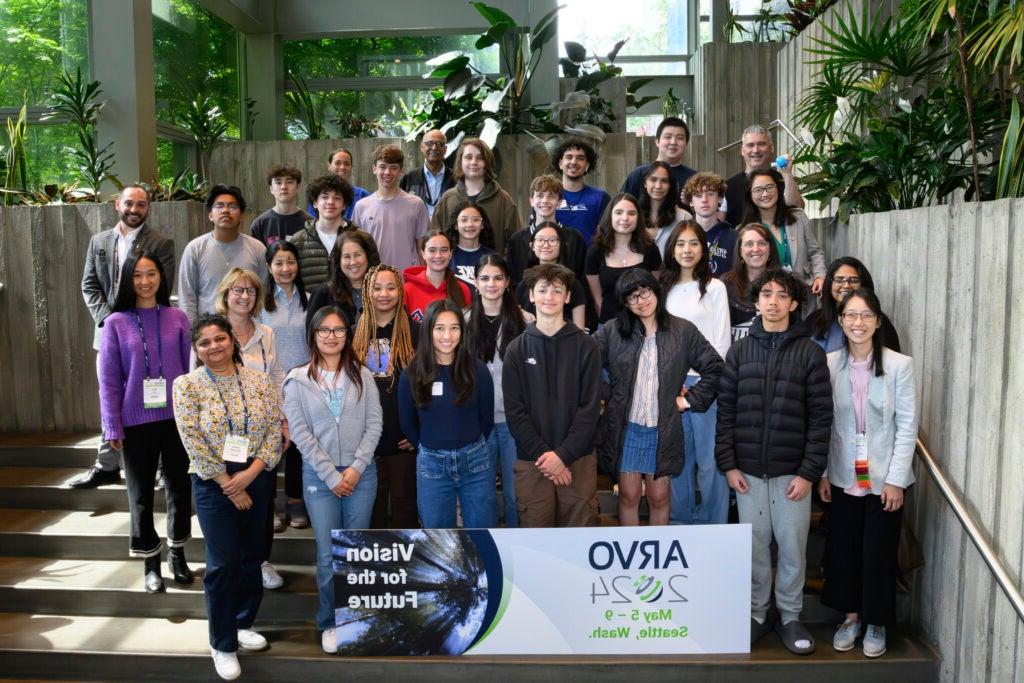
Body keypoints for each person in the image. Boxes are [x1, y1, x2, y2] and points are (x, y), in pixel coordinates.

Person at [715, 269, 832, 656]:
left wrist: (808, 472)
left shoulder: (810, 353)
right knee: (755, 546)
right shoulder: (740, 351)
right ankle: (757, 614)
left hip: (792, 476)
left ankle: (790, 615)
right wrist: (729, 464)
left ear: (794, 303)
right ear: (756, 300)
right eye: (766, 294)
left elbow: (821, 420)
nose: (773, 301)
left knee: (793, 548)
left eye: (782, 295)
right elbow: (726, 413)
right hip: (747, 471)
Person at [173, 314, 281, 681]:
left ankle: (242, 622)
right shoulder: (186, 386)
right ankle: (221, 642)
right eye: (204, 343)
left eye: (220, 339)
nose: (213, 347)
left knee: (252, 557)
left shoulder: (260, 382)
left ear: (232, 341)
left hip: (257, 476)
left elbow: (272, 436)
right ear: (196, 350)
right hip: (211, 482)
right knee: (222, 564)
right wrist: (227, 483)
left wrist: (248, 476)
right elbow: (192, 441)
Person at [818, 289, 918, 659]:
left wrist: (895, 479)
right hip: (843, 473)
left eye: (865, 316)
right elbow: (824, 425)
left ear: (877, 321)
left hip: (883, 478)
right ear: (841, 321)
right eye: (850, 316)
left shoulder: (899, 365)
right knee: (844, 549)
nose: (858, 323)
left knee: (877, 552)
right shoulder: (829, 364)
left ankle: (876, 622)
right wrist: (825, 473)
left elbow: (907, 427)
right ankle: (852, 617)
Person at [284, 305, 382, 655]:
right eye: (324, 330)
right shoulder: (297, 380)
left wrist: (355, 468)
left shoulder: (363, 375)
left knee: (354, 552)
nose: (331, 336)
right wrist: (330, 474)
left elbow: (374, 425)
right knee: (328, 556)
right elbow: (299, 433)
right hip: (319, 478)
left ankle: (353, 619)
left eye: (338, 330)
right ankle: (329, 620)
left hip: (361, 474)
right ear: (313, 335)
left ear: (347, 335)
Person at [596, 269, 722, 526]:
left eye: (645, 291)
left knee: (659, 497)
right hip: (627, 427)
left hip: (662, 428)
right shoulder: (612, 331)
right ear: (625, 303)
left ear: (656, 291)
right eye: (632, 297)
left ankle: (656, 560)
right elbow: (585, 365)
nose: (641, 300)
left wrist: (688, 400)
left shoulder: (683, 330)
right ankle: (631, 559)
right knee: (629, 496)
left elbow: (716, 369)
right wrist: (609, 394)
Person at [98, 250, 192, 592]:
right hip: (135, 421)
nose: (145, 281)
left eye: (151, 274)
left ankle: (177, 555)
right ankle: (150, 560)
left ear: (160, 278)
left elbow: (190, 374)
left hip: (177, 421)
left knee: (180, 490)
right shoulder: (115, 323)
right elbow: (108, 379)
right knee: (140, 495)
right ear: (128, 280)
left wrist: (194, 418)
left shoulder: (178, 317)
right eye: (137, 275)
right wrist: (112, 425)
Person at [77, 184, 175, 489]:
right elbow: (89, 285)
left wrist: (133, 326)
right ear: (117, 204)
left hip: (146, 336)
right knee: (110, 397)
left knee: (153, 397)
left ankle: (159, 466)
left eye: (141, 205)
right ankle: (106, 466)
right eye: (129, 203)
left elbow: (162, 287)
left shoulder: (160, 242)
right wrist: (110, 321)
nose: (135, 210)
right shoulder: (99, 241)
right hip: (108, 334)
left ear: (148, 208)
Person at [503, 263, 602, 527]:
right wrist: (547, 458)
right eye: (543, 290)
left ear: (568, 297)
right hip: (533, 461)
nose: (550, 297)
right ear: (531, 295)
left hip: (578, 460)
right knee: (535, 544)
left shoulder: (587, 346)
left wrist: (564, 457)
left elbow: (590, 409)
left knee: (579, 542)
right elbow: (515, 412)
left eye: (557, 291)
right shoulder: (516, 349)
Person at [213, 268, 287, 591]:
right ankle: (232, 566)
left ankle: (260, 562)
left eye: (251, 292)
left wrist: (283, 421)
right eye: (238, 290)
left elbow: (277, 380)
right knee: (227, 507)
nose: (244, 297)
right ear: (226, 295)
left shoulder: (266, 334)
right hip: (222, 440)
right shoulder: (212, 332)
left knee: (263, 505)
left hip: (261, 440)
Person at [398, 300, 497, 529]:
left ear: (462, 332)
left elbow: (486, 419)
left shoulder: (478, 369)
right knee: (437, 536)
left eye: (454, 328)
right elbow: (409, 424)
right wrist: (433, 445)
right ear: (428, 330)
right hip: (432, 463)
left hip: (475, 461)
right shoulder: (412, 373)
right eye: (439, 328)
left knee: (482, 532)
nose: (447, 335)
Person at [661, 221, 732, 525]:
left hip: (706, 384)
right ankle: (682, 521)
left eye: (693, 243)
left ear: (703, 249)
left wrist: (704, 384)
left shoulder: (715, 288)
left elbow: (721, 341)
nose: (687, 250)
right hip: (670, 384)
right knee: (678, 461)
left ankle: (714, 524)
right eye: (680, 243)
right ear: (671, 249)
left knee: (709, 461)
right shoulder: (662, 288)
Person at [465, 255, 533, 527]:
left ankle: (517, 555)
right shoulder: (462, 320)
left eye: (497, 278)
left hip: (514, 423)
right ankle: (487, 558)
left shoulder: (526, 320)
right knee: (481, 497)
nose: (491, 284)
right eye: (484, 278)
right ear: (475, 282)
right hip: (475, 424)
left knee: (517, 494)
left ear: (507, 282)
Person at [352, 265, 420, 529]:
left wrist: (416, 432)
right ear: (367, 292)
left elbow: (424, 387)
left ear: (400, 292)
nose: (384, 294)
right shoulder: (354, 332)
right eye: (377, 288)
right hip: (366, 442)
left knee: (405, 507)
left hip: (402, 439)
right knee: (372, 510)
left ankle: (409, 567)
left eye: (391, 287)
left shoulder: (415, 332)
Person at [259, 241, 311, 530]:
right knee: (270, 444)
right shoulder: (260, 302)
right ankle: (268, 506)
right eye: (279, 262)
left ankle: (294, 500)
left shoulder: (309, 298)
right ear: (269, 267)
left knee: (298, 447)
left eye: (290, 262)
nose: (285, 268)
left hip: (302, 385)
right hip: (269, 384)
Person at [178, 185, 268, 323]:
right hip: (209, 335)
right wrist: (195, 335)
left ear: (241, 215)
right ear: (210, 215)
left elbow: (264, 295)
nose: (225, 210)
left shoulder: (257, 249)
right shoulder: (195, 249)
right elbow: (186, 299)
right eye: (219, 206)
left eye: (232, 206)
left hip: (248, 332)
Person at [741, 167, 827, 305]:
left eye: (770, 187)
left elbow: (815, 252)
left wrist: (820, 276)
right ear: (749, 195)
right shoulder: (745, 230)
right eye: (758, 190)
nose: (765, 193)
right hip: (769, 303)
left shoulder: (798, 217)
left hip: (802, 297)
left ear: (778, 189)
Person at [431, 137, 521, 254]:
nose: (474, 162)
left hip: (492, 270)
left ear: (487, 162)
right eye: (468, 157)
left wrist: (500, 265)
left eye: (480, 158)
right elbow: (434, 240)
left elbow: (516, 243)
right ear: (460, 162)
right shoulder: (447, 200)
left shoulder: (503, 200)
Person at [585, 193, 662, 325]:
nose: (625, 218)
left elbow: (654, 290)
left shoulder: (650, 250)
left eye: (631, 213)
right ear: (610, 216)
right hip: (609, 326)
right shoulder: (596, 252)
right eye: (619, 212)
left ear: (638, 218)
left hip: (645, 324)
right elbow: (597, 299)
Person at [352, 144, 430, 271]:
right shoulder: (361, 207)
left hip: (408, 280)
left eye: (393, 168)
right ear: (374, 169)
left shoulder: (416, 204)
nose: (387, 172)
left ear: (401, 171)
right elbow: (357, 248)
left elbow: (422, 249)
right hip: (375, 281)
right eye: (382, 167)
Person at [807, 257, 901, 354]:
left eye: (854, 280)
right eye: (839, 280)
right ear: (829, 284)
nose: (846, 285)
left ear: (863, 285)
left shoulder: (878, 322)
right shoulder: (813, 320)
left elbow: (892, 362)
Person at [506, 174, 586, 286]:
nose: (545, 201)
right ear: (531, 201)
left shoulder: (574, 238)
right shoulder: (517, 240)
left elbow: (581, 278)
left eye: (551, 196)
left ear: (559, 202)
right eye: (540, 195)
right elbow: (513, 281)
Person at [723, 124, 804, 227]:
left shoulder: (782, 179)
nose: (756, 150)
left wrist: (787, 175)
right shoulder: (728, 186)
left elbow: (798, 210)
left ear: (772, 148)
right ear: (742, 151)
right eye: (750, 145)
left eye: (761, 144)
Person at [289, 174, 357, 291]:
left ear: (344, 205)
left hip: (351, 307)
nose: (330, 202)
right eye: (324, 197)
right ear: (315, 203)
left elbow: (372, 277)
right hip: (310, 307)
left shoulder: (360, 238)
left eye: (337, 198)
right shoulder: (297, 240)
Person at [513, 222, 587, 329]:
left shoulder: (572, 282)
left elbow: (579, 329)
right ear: (532, 246)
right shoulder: (524, 283)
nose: (546, 245)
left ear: (562, 244)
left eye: (552, 240)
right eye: (540, 240)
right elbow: (516, 322)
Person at [306, 230, 381, 329]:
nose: (353, 262)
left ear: (367, 257)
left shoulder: (381, 290)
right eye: (347, 257)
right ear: (338, 261)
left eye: (357, 255)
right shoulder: (323, 293)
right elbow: (311, 335)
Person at [721, 223, 782, 343]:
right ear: (740, 251)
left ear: (770, 249)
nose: (756, 249)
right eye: (749, 244)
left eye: (762, 243)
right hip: (734, 357)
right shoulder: (724, 285)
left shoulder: (785, 284)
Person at [552, 137, 610, 247]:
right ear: (560, 163)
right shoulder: (548, 197)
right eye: (569, 157)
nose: (573, 162)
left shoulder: (600, 198)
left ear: (587, 165)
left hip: (589, 262)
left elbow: (608, 235)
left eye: (580, 158)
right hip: (555, 262)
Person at [402, 229, 471, 322]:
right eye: (432, 250)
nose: (438, 255)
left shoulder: (463, 290)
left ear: (450, 254)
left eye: (444, 250)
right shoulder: (407, 290)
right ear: (423, 254)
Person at [621, 117, 696, 200]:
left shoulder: (694, 178)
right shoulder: (639, 175)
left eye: (680, 138)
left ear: (686, 143)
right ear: (657, 141)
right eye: (668, 137)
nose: (673, 142)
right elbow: (621, 206)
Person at [683, 171, 736, 277]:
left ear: (720, 199)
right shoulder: (681, 235)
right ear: (691, 201)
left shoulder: (734, 237)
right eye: (698, 195)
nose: (704, 200)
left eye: (711, 194)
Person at [249, 163, 311, 247]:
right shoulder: (259, 224)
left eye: (289, 182)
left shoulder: (311, 223)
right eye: (278, 182)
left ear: (297, 187)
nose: (283, 187)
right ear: (271, 188)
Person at [399, 129, 455, 219]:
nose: (434, 148)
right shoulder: (409, 178)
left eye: (439, 144)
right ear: (422, 147)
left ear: (445, 150)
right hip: (418, 231)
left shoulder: (456, 178)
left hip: (447, 230)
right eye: (429, 143)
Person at [639, 161, 691, 254]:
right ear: (645, 183)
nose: (658, 186)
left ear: (671, 186)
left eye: (664, 181)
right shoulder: (633, 214)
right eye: (653, 180)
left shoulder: (684, 218)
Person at [306, 147, 370, 221]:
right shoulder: (318, 194)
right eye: (337, 163)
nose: (342, 167)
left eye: (347, 164)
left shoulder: (362, 195)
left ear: (351, 167)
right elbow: (313, 223)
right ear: (329, 165)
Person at [446, 202, 496, 291]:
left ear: (482, 225)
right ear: (456, 225)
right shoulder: (447, 256)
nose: (470, 224)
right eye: (464, 220)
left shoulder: (492, 257)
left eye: (476, 220)